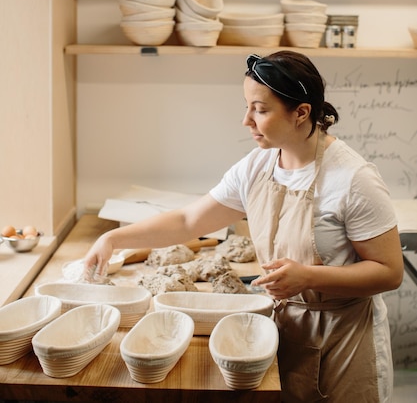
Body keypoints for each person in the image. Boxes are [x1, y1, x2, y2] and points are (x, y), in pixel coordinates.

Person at [84, 50, 403, 403]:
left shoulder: (353, 179)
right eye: (246, 106)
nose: (246, 121)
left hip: (343, 343)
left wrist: (309, 277)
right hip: (281, 330)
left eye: (260, 109)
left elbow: (389, 272)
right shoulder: (257, 166)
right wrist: (114, 238)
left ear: (301, 112)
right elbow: (190, 220)